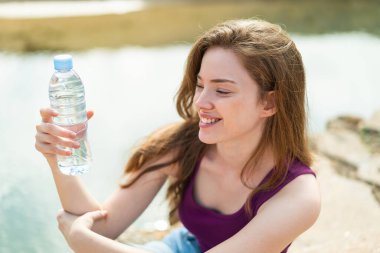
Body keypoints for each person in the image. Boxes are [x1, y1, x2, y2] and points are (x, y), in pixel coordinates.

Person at [35, 18, 321, 253]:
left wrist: (84, 240)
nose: (200, 102)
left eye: (222, 90)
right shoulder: (182, 145)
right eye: (200, 85)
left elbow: (89, 236)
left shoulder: (297, 194)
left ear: (269, 102)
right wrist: (60, 155)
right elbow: (102, 226)